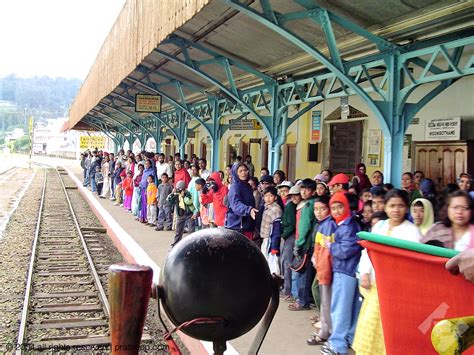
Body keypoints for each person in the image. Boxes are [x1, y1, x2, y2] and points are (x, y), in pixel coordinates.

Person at [353, 189, 421, 355]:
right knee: (369, 324)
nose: (396, 210)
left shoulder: (412, 232)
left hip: (398, 291)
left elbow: (415, 264)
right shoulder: (380, 226)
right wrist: (365, 273)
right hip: (377, 286)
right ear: (385, 207)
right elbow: (368, 251)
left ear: (406, 208)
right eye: (392, 206)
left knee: (389, 330)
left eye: (400, 206)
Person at [321, 192, 362, 355]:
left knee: (340, 308)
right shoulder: (348, 224)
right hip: (349, 271)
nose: (337, 211)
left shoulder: (348, 226)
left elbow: (346, 250)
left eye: (340, 207)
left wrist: (331, 247)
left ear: (346, 207)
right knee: (349, 308)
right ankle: (348, 340)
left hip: (344, 270)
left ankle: (337, 345)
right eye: (334, 208)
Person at [307, 195, 336, 346]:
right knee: (325, 301)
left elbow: (327, 252)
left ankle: (326, 332)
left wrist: (321, 269)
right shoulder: (322, 224)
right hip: (322, 268)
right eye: (316, 209)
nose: (318, 212)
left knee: (327, 302)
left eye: (322, 209)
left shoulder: (329, 225)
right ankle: (325, 330)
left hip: (326, 270)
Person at [289, 178, 317, 311]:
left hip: (305, 244)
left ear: (313, 191)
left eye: (308, 189)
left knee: (302, 273)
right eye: (302, 189)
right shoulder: (310, 203)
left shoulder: (307, 205)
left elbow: (304, 227)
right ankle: (304, 299)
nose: (304, 192)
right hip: (309, 244)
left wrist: (298, 244)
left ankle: (302, 301)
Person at [225, 163, 258, 240]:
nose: (243, 173)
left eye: (245, 170)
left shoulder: (247, 186)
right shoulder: (235, 187)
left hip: (248, 226)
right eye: (240, 171)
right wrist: (249, 210)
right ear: (235, 173)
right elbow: (236, 205)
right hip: (237, 227)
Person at [280, 185, 301, 301]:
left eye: (296, 195)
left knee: (287, 262)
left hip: (290, 236)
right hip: (290, 235)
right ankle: (289, 290)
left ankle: (288, 290)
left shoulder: (291, 207)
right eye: (292, 196)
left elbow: (291, 225)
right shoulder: (291, 206)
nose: (294, 198)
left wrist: (283, 235)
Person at [260, 186, 283, 274]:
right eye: (266, 196)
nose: (268, 198)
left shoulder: (276, 210)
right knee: (265, 260)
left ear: (275, 197)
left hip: (270, 240)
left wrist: (274, 247)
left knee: (272, 261)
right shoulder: (266, 207)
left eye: (270, 196)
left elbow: (276, 230)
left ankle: (274, 280)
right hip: (265, 238)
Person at [167, 180, 195, 246]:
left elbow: (189, 202)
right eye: (178, 189)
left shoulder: (188, 193)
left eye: (181, 189)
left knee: (191, 230)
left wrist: (183, 196)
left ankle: (192, 244)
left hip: (189, 214)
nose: (179, 190)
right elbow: (169, 200)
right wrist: (172, 193)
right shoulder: (176, 194)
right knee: (178, 231)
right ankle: (176, 243)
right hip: (180, 214)